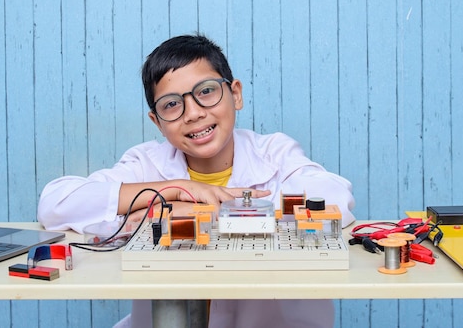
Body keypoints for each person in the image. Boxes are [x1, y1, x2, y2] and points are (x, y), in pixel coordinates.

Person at [38, 34, 356, 328]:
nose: (192, 113)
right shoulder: (146, 163)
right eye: (172, 104)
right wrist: (174, 193)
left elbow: (334, 197)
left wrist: (212, 214)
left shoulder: (274, 152)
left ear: (235, 94)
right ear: (158, 122)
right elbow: (55, 203)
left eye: (206, 92)